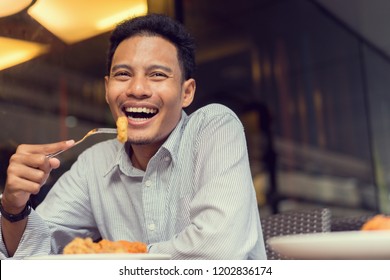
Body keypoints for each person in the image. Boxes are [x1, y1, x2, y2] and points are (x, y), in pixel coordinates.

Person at [0, 13, 266, 260]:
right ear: (107, 90)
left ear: (186, 93)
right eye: (123, 74)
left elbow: (220, 250)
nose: (137, 89)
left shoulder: (214, 127)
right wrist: (14, 207)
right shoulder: (94, 163)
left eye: (158, 75)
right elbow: (32, 256)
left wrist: (118, 256)